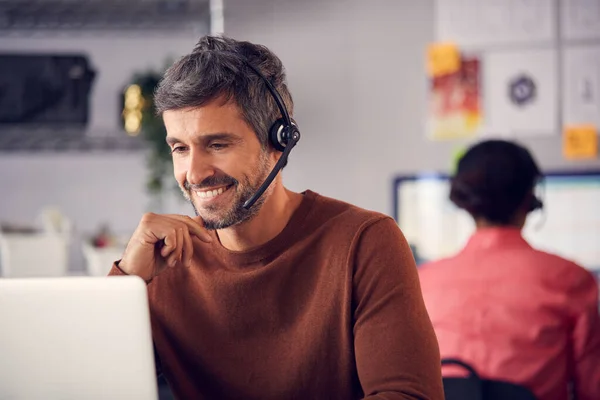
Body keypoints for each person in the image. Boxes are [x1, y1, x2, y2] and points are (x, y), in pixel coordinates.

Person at [108, 35, 443, 400]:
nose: (195, 172)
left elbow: (409, 395)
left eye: (217, 144)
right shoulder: (163, 262)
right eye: (180, 148)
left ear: (279, 142)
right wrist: (125, 280)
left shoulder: (363, 242)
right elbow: (83, 383)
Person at [418, 140, 600, 400]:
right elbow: (592, 389)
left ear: (464, 200)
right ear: (530, 199)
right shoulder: (572, 279)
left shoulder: (422, 281)